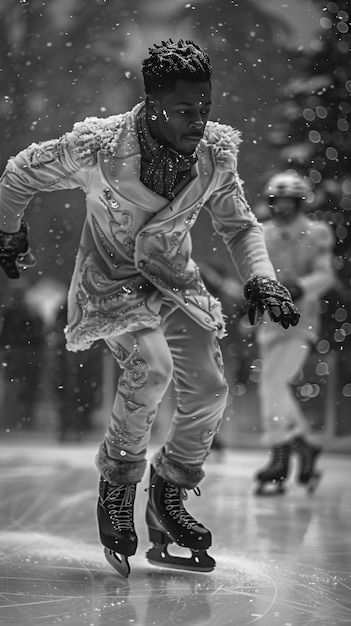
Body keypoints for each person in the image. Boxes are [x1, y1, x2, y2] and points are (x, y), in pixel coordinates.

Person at [0, 39, 300, 577]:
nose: (198, 121)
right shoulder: (97, 148)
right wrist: (7, 230)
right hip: (112, 284)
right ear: (153, 102)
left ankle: (168, 494)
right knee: (151, 369)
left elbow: (238, 225)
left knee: (209, 388)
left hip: (175, 285)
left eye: (204, 108)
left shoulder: (212, 154)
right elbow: (21, 171)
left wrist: (262, 278)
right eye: (185, 110)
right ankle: (117, 486)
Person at [254, 171, 335, 496]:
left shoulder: (317, 232)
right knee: (271, 388)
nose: (282, 207)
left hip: (302, 323)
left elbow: (325, 275)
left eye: (289, 201)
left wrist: (299, 287)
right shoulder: (260, 233)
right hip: (269, 324)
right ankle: (304, 445)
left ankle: (281, 456)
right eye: (278, 201)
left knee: (273, 383)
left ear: (300, 202)